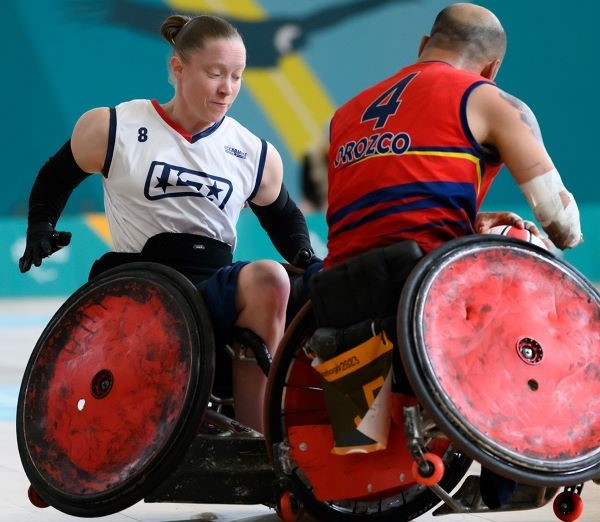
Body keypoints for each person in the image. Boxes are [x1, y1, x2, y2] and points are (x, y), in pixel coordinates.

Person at [321, 1, 582, 509]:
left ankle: (361, 437)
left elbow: (387, 204)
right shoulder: (487, 99)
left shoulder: (344, 112)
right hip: (427, 286)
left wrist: (470, 218)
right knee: (530, 247)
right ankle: (519, 470)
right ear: (492, 68)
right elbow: (562, 223)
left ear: (422, 46)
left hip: (342, 289)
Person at [18, 13, 319, 432]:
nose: (227, 88)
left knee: (273, 277)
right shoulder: (114, 126)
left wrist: (304, 254)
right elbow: (55, 177)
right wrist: (40, 227)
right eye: (215, 73)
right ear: (178, 68)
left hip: (211, 284)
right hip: (142, 285)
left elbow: (283, 216)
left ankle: (257, 443)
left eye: (237, 76)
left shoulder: (254, 152)